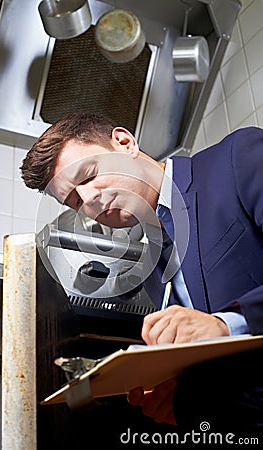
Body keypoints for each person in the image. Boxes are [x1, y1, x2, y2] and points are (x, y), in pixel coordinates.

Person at [21, 112, 263, 435]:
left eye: (88, 175)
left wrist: (226, 324)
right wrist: (183, 400)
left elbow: (222, 331)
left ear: (125, 142)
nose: (90, 199)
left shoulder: (238, 158)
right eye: (75, 202)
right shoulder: (152, 272)